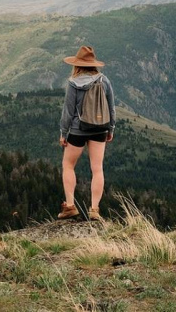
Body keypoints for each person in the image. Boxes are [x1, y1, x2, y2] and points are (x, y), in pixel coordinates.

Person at [57, 45, 115, 220]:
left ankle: (70, 206)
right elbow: (111, 107)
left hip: (78, 129)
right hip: (100, 128)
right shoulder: (104, 80)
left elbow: (68, 111)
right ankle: (94, 210)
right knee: (97, 169)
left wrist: (63, 132)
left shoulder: (73, 83)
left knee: (68, 165)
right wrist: (110, 128)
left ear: (77, 64)